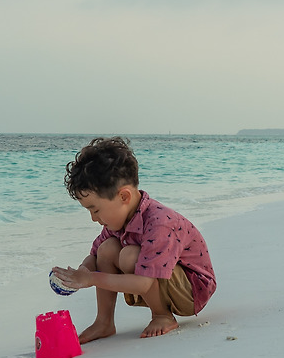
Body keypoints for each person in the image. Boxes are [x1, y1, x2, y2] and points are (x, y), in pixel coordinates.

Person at [51, 137, 216, 342]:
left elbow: (143, 283)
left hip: (191, 290)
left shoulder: (160, 223)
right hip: (161, 282)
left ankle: (162, 316)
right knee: (107, 249)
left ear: (124, 197)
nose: (93, 218)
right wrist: (80, 273)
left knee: (129, 255)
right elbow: (95, 256)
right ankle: (104, 322)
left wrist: (90, 279)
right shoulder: (118, 221)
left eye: (96, 210)